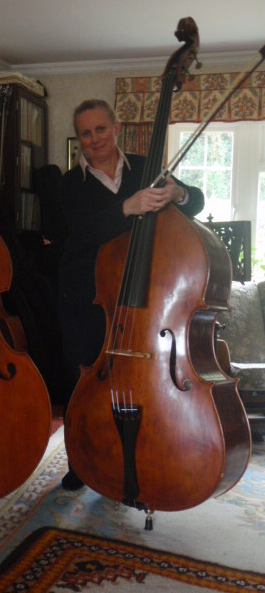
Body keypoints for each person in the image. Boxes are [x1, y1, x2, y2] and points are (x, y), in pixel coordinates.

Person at [58, 99, 205, 490]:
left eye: (100, 129)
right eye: (86, 134)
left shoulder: (147, 169)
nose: (94, 140)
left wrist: (178, 195)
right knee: (87, 384)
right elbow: (73, 236)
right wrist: (126, 206)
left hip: (146, 297)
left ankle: (143, 452)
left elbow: (198, 201)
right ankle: (82, 459)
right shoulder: (70, 184)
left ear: (116, 127)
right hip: (92, 297)